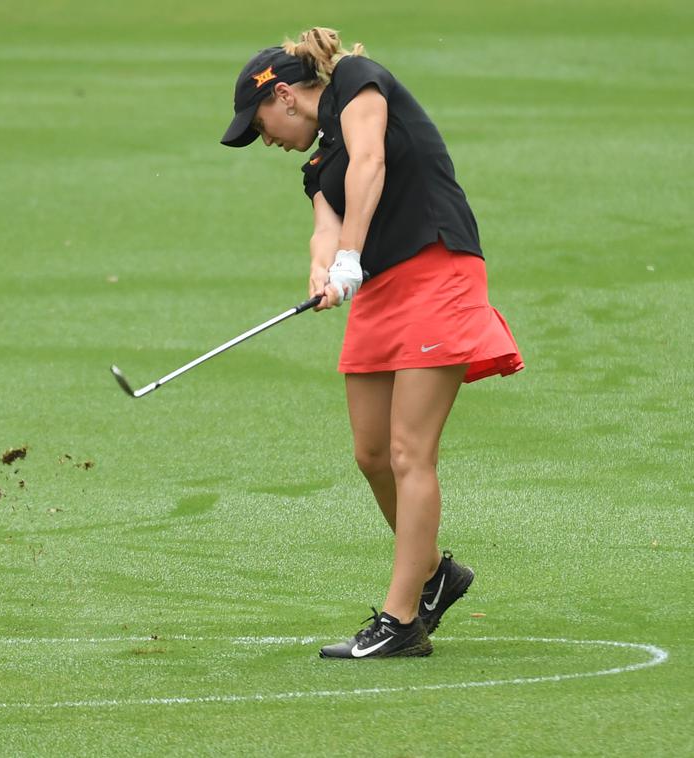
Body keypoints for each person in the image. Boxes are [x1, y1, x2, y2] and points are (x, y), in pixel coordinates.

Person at [221, 28, 524, 658]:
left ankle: (401, 619)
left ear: (284, 95)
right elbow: (324, 224)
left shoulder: (359, 84)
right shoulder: (315, 161)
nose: (266, 139)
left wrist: (351, 256)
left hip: (436, 268)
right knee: (372, 454)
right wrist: (323, 268)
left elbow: (371, 163)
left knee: (411, 451)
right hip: (382, 291)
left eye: (262, 124)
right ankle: (436, 573)